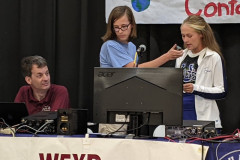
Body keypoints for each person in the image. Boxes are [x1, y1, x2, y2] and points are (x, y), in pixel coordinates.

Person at [175, 15, 227, 129]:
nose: (185, 40)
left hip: (204, 116)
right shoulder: (181, 56)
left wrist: (196, 88)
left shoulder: (213, 57)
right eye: (183, 36)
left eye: (189, 36)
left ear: (201, 34)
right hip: (181, 114)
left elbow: (221, 91)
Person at [100, 5, 183, 68]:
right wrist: (167, 56)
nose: (120, 31)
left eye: (124, 26)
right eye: (116, 27)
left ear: (132, 25)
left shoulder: (131, 46)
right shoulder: (110, 45)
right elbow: (133, 69)